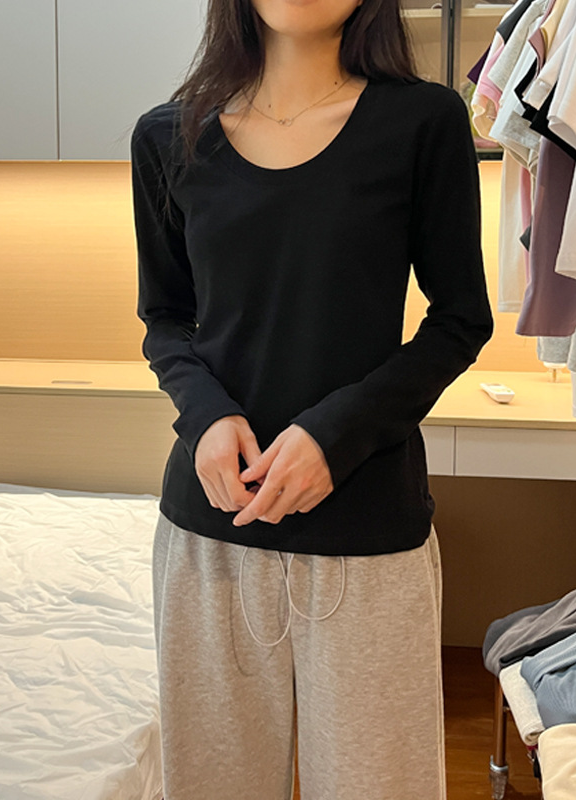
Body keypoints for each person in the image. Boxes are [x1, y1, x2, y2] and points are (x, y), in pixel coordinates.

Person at [131, 0, 494, 797]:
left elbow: (460, 320)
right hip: (211, 532)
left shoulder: (424, 122)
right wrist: (206, 417)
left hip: (367, 536)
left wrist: (336, 434)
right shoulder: (166, 136)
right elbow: (165, 317)